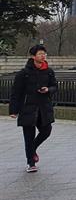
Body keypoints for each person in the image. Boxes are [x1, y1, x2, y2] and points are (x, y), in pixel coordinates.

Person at [10, 44, 57, 173]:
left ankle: (33, 148)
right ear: (33, 56)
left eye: (44, 53)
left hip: (44, 108)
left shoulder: (49, 71)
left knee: (46, 130)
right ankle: (31, 163)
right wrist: (13, 110)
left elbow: (54, 86)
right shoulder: (23, 73)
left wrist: (48, 89)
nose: (43, 56)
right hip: (27, 108)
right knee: (28, 136)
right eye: (40, 53)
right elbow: (16, 93)